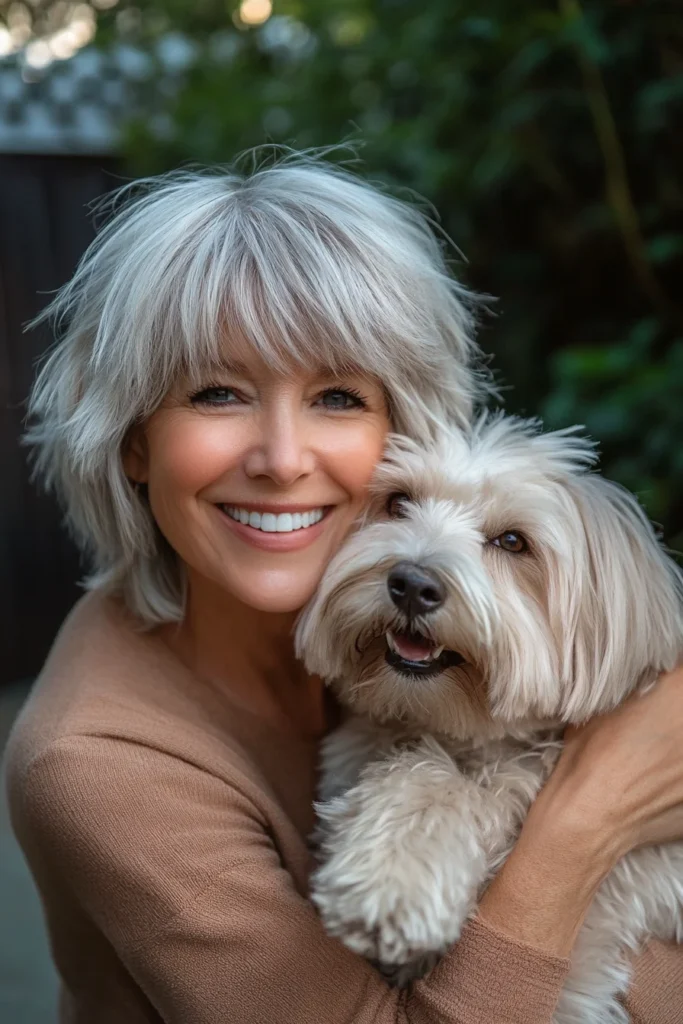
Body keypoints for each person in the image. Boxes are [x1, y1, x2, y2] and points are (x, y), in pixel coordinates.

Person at [4, 152, 683, 1024]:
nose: (283, 460)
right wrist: (582, 826)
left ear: (402, 427)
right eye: (217, 393)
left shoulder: (418, 642)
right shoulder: (99, 764)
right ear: (133, 442)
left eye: (335, 397)